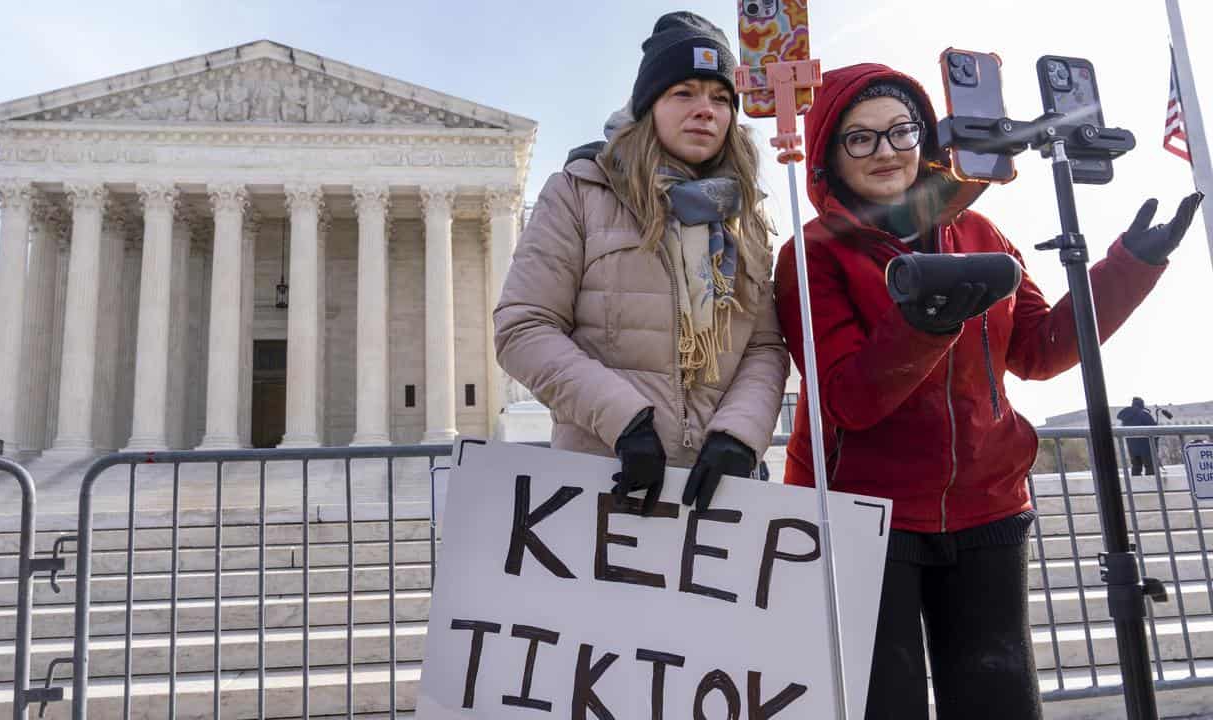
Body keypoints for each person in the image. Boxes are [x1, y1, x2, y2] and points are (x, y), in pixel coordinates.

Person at [774, 63, 1203, 720]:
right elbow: (846, 400)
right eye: (860, 139)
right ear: (829, 155)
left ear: (924, 136)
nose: (886, 151)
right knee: (883, 707)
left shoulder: (980, 233)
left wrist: (1129, 268)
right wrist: (923, 324)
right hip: (864, 517)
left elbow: (1040, 350)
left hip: (988, 508)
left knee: (998, 704)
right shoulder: (812, 255)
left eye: (899, 130)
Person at [494, 11, 787, 514]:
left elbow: (763, 346)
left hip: (718, 495)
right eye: (684, 93)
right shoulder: (580, 192)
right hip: (605, 477)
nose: (705, 110)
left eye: (720, 98)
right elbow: (524, 329)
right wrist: (625, 421)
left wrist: (739, 435)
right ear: (648, 105)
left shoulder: (745, 217)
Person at [1117, 396, 1159, 475]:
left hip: (1133, 448)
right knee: (1150, 468)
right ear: (1142, 405)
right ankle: (1152, 486)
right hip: (1146, 448)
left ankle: (1135, 486)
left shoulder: (1126, 417)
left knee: (1136, 467)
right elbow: (1155, 431)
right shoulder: (1144, 415)